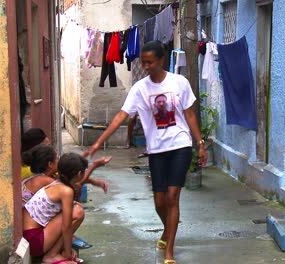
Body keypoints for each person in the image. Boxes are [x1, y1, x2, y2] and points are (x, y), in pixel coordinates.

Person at [84, 40, 207, 264]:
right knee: (159, 201)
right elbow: (121, 116)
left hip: (180, 145)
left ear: (161, 60)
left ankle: (169, 251)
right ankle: (167, 229)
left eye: (151, 62)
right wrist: (97, 143)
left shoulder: (179, 82)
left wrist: (200, 143)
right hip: (157, 150)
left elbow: (189, 115)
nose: (147, 66)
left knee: (172, 197)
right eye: (144, 62)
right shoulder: (140, 89)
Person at [23, 153, 106, 264]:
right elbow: (66, 226)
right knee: (78, 212)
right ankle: (51, 256)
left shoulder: (57, 184)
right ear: (79, 173)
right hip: (35, 240)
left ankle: (54, 253)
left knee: (75, 207)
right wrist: (67, 252)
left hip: (30, 236)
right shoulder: (66, 191)